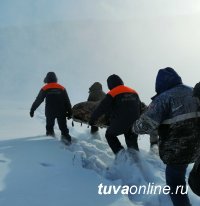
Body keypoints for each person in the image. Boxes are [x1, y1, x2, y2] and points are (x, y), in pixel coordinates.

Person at [133, 67, 200, 206]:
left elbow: (144, 125)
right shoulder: (193, 90)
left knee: (176, 184)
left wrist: (134, 127)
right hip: (197, 149)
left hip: (177, 152)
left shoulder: (163, 98)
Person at [89, 74, 141, 154]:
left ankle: (121, 156)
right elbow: (140, 107)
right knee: (132, 146)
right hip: (135, 123)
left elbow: (101, 108)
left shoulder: (113, 92)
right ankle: (137, 162)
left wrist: (92, 120)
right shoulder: (133, 91)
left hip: (120, 122)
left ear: (110, 84)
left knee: (109, 135)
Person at [30, 72, 72, 144]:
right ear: (56, 78)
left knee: (49, 128)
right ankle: (67, 140)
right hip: (61, 111)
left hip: (50, 112)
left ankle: (51, 143)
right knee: (63, 128)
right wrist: (70, 112)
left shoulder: (45, 88)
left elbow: (38, 100)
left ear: (47, 79)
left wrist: (32, 109)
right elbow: (67, 101)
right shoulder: (62, 88)